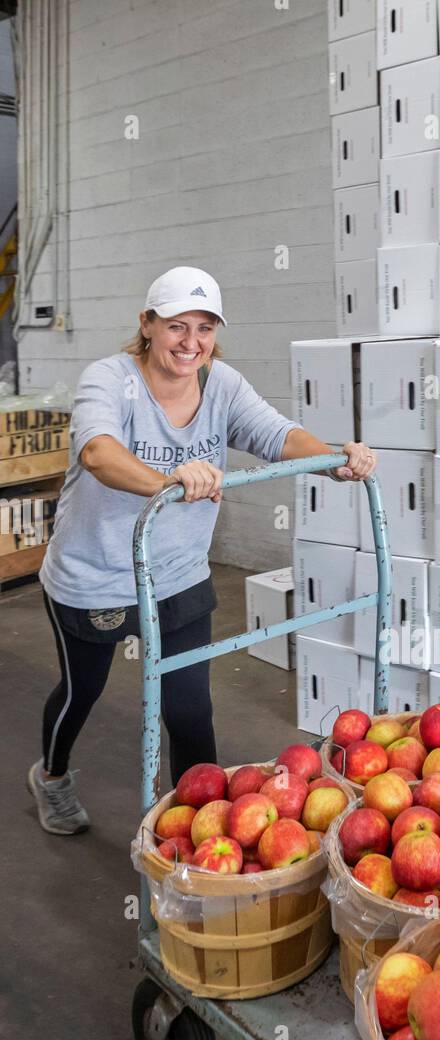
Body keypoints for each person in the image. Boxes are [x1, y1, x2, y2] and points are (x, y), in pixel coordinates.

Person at [30, 266, 376, 835]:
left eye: (205, 328)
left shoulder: (223, 385)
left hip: (178, 575)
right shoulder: (109, 379)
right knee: (82, 691)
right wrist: (169, 479)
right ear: (147, 325)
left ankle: (203, 832)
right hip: (93, 573)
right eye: (177, 326)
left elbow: (278, 434)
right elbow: (98, 452)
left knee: (190, 706)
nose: (191, 342)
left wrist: (334, 457)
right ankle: (52, 776)